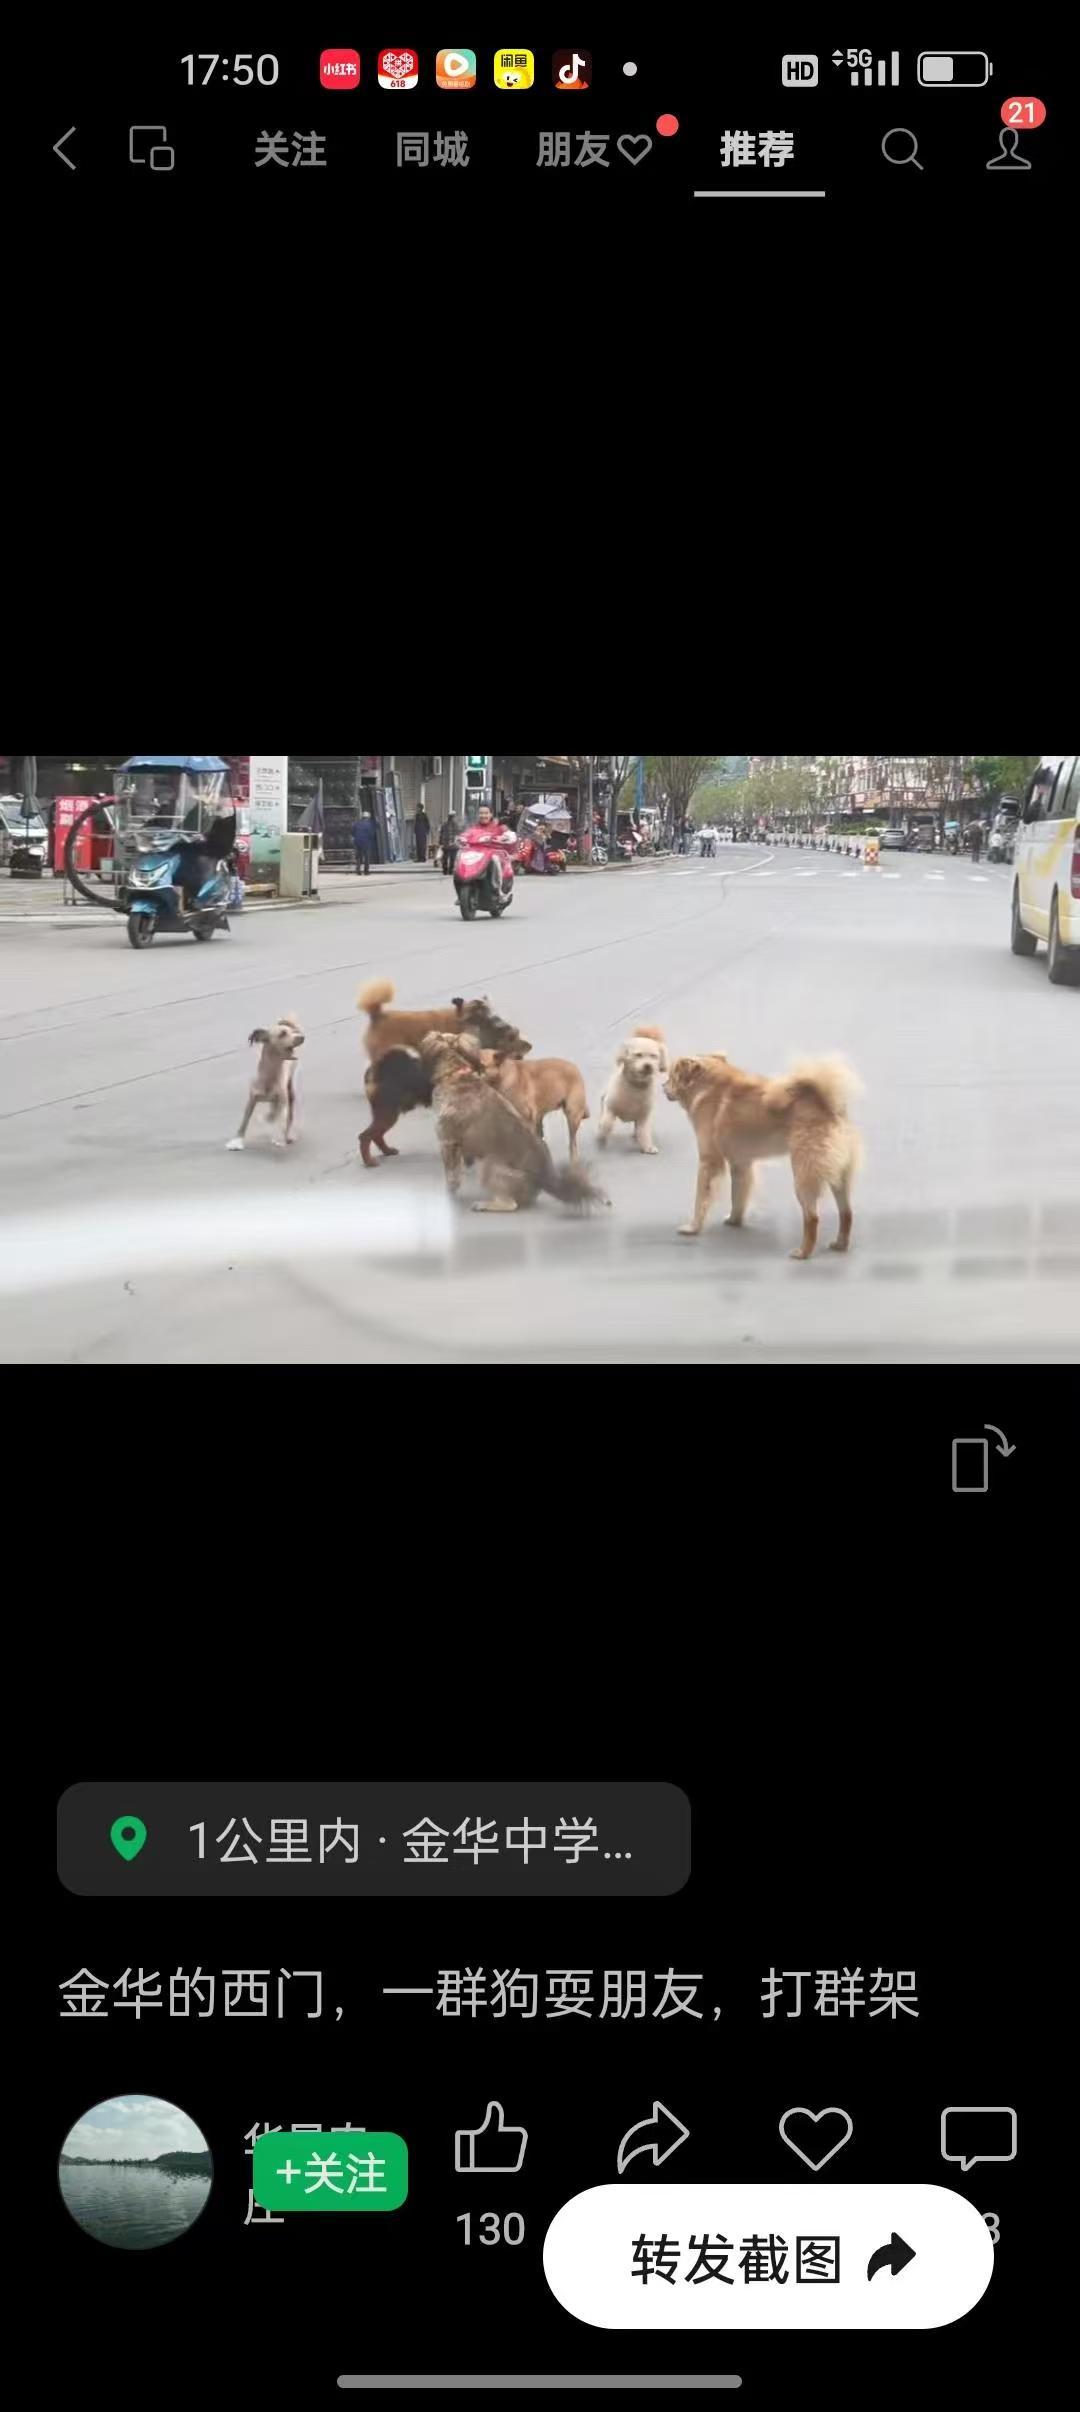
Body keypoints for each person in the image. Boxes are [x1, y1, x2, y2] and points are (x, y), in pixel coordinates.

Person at [353, 807, 377, 876]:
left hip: (357, 842)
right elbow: (371, 833)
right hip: (366, 842)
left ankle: (358, 871)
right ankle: (366, 871)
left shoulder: (357, 823)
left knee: (358, 857)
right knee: (366, 857)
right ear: (368, 817)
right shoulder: (369, 824)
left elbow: (352, 831)